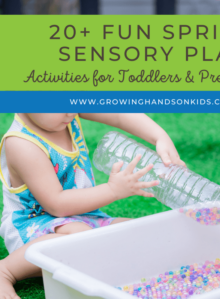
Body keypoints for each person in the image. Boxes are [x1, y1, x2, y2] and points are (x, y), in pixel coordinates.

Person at [0, 113, 185, 299]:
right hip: (33, 227)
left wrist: (159, 137)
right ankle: (6, 270)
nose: (70, 111)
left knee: (138, 232)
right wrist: (113, 190)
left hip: (83, 216)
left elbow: (119, 113)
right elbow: (57, 204)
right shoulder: (22, 144)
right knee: (81, 237)